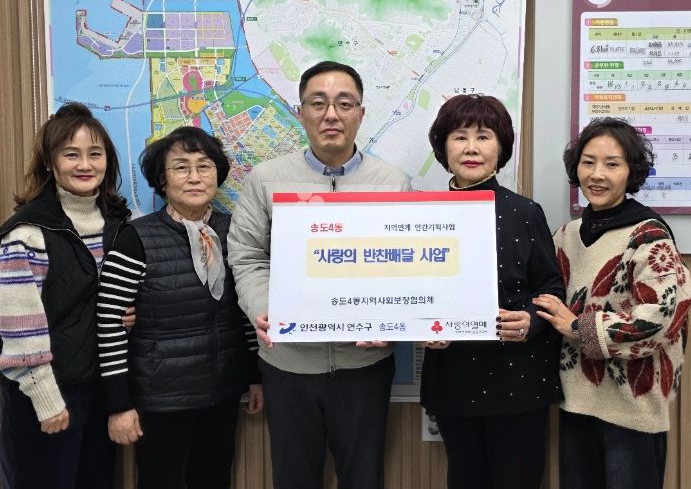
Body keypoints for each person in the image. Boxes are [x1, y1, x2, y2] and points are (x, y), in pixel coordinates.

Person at [228, 60, 410, 489]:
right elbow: (247, 256)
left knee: (363, 479)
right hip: (287, 364)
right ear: (300, 112)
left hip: (364, 365)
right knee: (294, 478)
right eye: (318, 103)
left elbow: (404, 267)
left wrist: (391, 320)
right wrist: (265, 309)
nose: (331, 115)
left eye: (344, 104)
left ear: (361, 113)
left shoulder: (391, 182)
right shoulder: (267, 179)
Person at [96, 126, 262, 489]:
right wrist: (118, 405)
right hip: (161, 400)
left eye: (204, 166)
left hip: (221, 393)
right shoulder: (135, 238)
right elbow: (109, 324)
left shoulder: (233, 232)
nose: (194, 177)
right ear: (162, 179)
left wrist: (254, 377)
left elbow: (245, 310)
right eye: (181, 167)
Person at [534, 117, 691, 489]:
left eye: (612, 164)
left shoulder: (649, 236)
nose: (597, 174)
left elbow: (662, 318)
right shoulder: (566, 235)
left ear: (631, 172)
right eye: (588, 162)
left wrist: (578, 327)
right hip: (576, 402)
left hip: (632, 412)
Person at [420, 94, 565, 489]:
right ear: (443, 147)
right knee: (464, 479)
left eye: (483, 136)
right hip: (452, 378)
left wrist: (531, 321)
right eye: (459, 136)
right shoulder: (422, 214)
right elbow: (408, 289)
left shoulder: (525, 212)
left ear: (501, 148)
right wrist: (419, 326)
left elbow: (552, 287)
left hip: (517, 379)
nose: (471, 148)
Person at [0, 102, 130, 489]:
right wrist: (46, 398)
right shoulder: (27, 232)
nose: (85, 164)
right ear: (50, 163)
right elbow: (17, 325)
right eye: (71, 154)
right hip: (46, 396)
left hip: (101, 390)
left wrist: (129, 313)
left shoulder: (119, 225)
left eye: (95, 153)